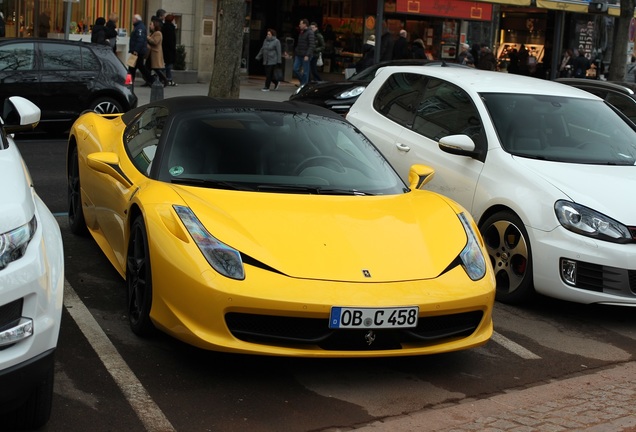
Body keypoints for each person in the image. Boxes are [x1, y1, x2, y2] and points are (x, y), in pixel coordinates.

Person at [128, 14, 153, 87]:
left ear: (136, 19)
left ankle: (151, 80)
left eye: (133, 18)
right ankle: (129, 82)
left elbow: (140, 40)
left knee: (137, 67)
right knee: (133, 67)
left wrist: (136, 50)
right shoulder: (138, 27)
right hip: (137, 51)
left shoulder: (140, 28)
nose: (132, 20)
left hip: (137, 51)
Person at [147, 17, 169, 86]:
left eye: (151, 24)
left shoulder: (158, 33)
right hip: (151, 53)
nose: (150, 26)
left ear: (155, 25)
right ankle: (149, 81)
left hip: (155, 53)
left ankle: (165, 80)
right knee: (147, 68)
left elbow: (155, 42)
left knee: (156, 69)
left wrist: (148, 37)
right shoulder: (153, 33)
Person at [293, 19, 314, 87]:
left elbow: (311, 45)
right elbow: (299, 43)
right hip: (299, 54)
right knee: (295, 69)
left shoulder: (310, 32)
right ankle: (303, 82)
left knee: (305, 71)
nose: (299, 25)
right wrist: (296, 51)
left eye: (300, 24)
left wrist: (307, 55)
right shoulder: (301, 32)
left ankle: (303, 84)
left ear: (305, 24)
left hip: (305, 55)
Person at [162, 14, 178, 86]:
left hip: (164, 49)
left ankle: (168, 79)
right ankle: (167, 79)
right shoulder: (171, 28)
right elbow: (171, 41)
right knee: (168, 66)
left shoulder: (163, 27)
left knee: (166, 66)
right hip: (169, 50)